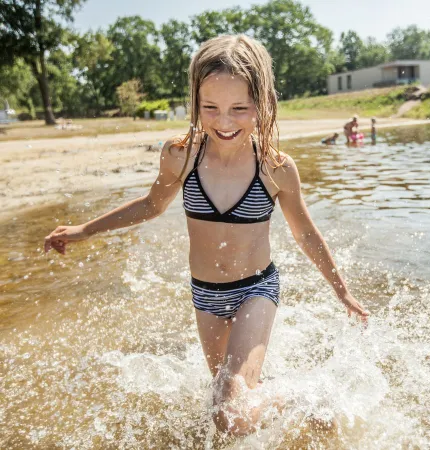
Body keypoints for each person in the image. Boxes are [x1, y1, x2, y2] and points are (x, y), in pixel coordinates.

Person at [43, 35, 369, 437]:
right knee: (229, 403)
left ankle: (301, 396)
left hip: (257, 289)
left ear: (262, 104)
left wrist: (343, 292)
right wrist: (85, 230)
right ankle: (302, 402)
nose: (224, 121)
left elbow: (304, 233)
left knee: (228, 407)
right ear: (194, 102)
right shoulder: (181, 156)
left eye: (239, 109)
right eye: (210, 108)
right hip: (205, 294)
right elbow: (151, 205)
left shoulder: (275, 167)